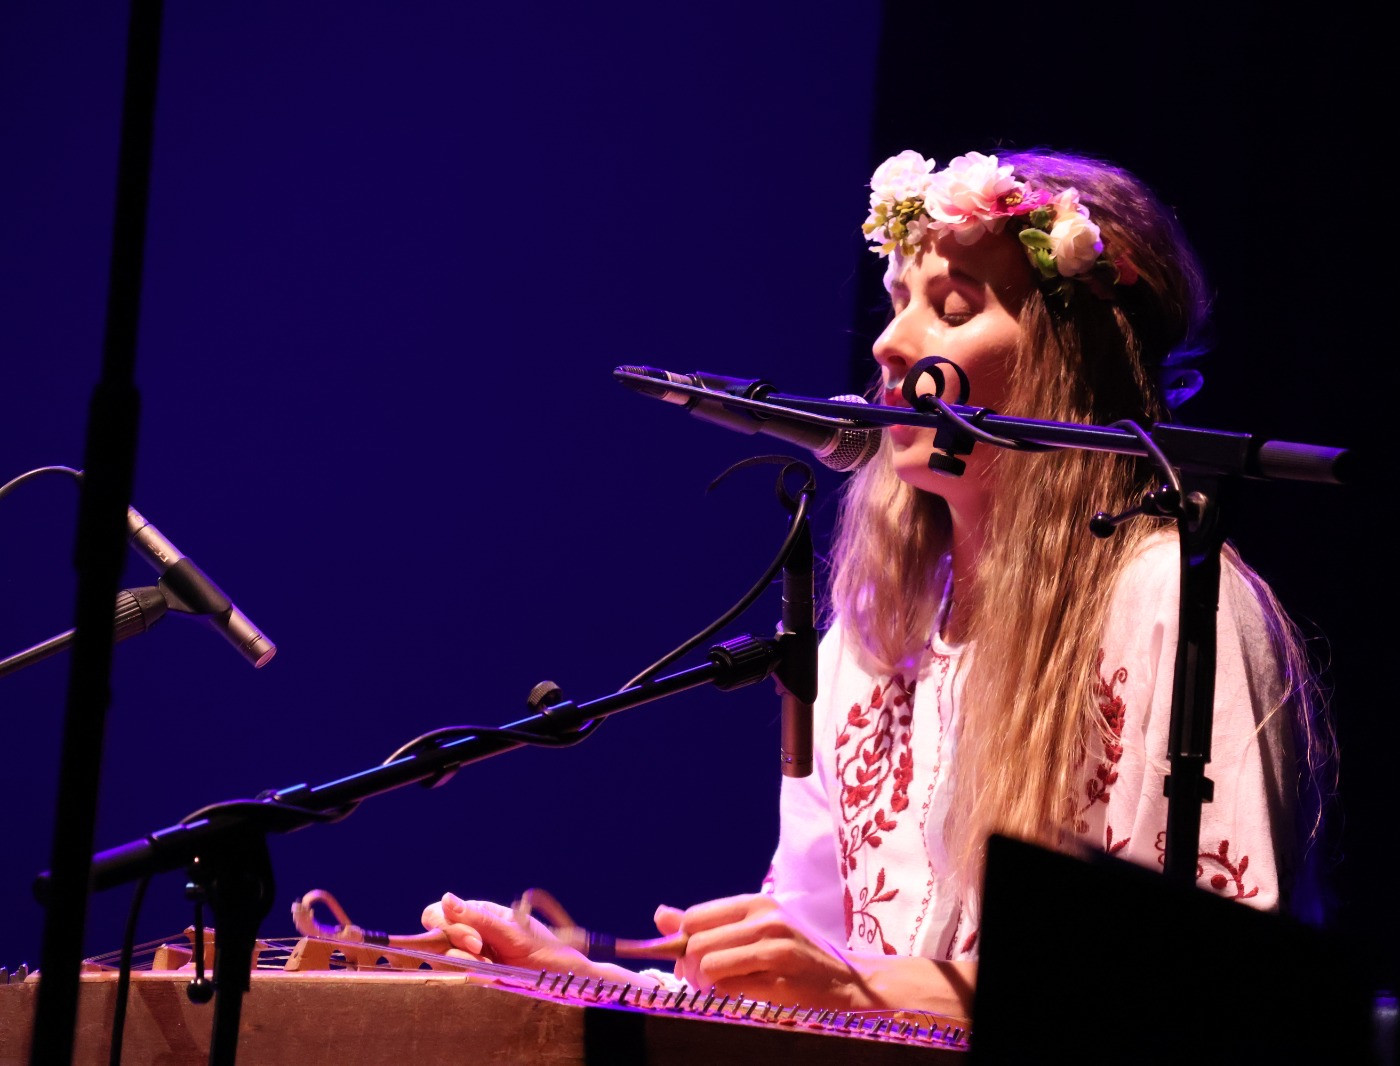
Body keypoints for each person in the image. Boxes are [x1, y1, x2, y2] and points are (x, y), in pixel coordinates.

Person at [420, 147, 1334, 1022]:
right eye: (897, 302)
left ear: (1069, 360)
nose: (892, 343)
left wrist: (858, 988)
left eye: (953, 306)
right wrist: (584, 987)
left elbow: (1221, 997)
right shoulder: (868, 641)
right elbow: (797, 994)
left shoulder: (1170, 598)